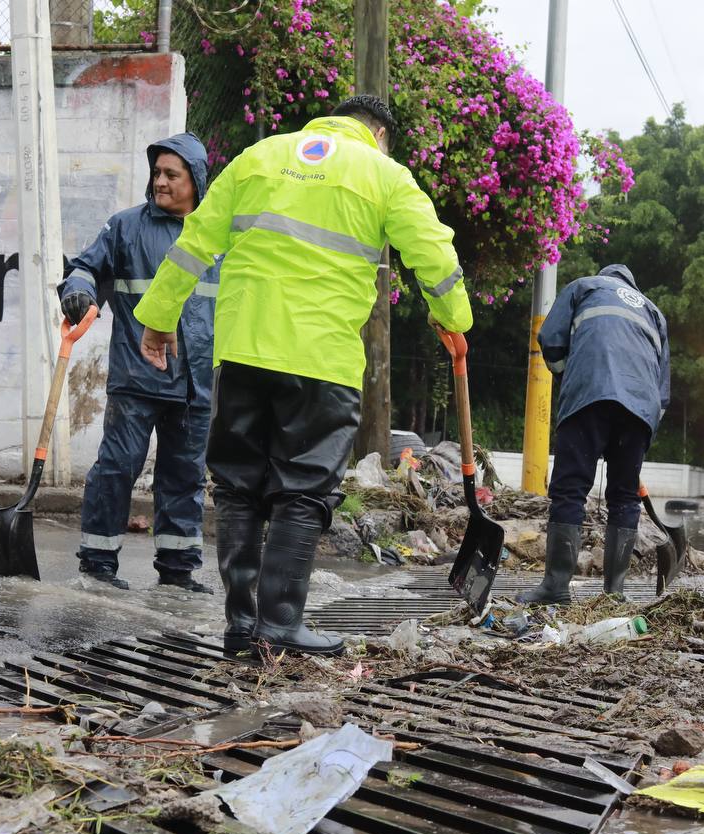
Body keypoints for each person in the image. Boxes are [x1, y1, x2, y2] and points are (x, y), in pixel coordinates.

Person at [133, 95, 472, 656]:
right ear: (379, 135)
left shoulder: (259, 157)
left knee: (239, 487)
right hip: (320, 359)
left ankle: (242, 626)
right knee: (304, 490)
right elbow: (434, 256)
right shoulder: (383, 174)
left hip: (243, 351)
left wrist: (158, 318)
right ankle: (281, 623)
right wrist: (454, 318)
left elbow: (194, 245)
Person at [58, 132, 219, 593]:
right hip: (137, 375)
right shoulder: (125, 227)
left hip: (196, 383)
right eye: (157, 173)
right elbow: (85, 267)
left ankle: (178, 568)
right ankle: (98, 562)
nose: (160, 182)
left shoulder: (215, 236)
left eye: (172, 174)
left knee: (185, 475)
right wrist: (78, 291)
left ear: (196, 180)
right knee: (118, 466)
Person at [518, 264, 670, 604]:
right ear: (631, 283)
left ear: (606, 276)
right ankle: (614, 593)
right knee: (624, 496)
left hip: (589, 393)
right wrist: (641, 435)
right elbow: (662, 392)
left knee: (570, 488)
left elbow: (551, 339)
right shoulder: (654, 311)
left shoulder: (583, 286)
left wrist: (571, 381)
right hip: (639, 411)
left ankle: (556, 587)